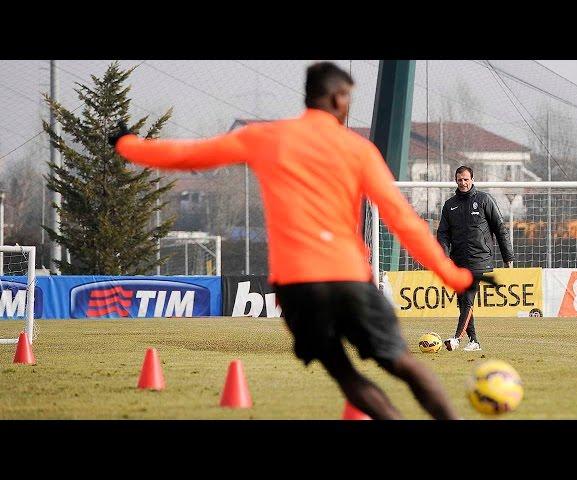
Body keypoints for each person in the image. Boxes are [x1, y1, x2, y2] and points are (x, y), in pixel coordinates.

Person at [109, 62, 477, 420]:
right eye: (348, 97)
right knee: (400, 362)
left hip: (298, 287)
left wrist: (128, 145)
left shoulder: (265, 137)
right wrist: (454, 275)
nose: (348, 106)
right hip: (347, 277)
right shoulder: (358, 149)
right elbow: (404, 222)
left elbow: (189, 155)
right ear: (336, 99)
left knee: (344, 372)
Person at [437, 166, 514, 352]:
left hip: (480, 259)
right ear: (455, 180)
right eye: (459, 180)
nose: (463, 183)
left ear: (472, 179)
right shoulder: (450, 205)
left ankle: (456, 339)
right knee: (462, 300)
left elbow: (500, 228)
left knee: (468, 298)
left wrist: (507, 256)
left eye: (466, 179)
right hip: (458, 261)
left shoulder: (484, 200)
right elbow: (443, 234)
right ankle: (474, 341)